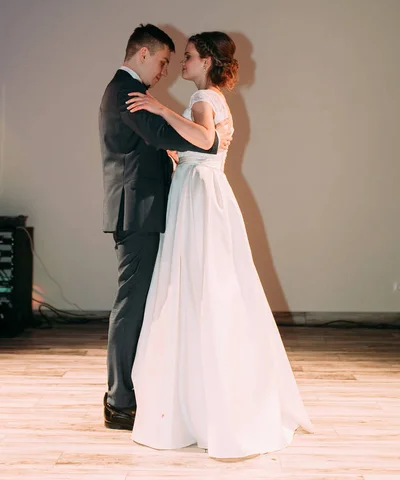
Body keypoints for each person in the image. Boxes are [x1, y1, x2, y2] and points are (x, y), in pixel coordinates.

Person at [125, 31, 313, 459]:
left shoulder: (204, 99)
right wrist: (180, 153)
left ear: (207, 61)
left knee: (197, 285)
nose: (183, 65)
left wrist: (158, 108)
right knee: (211, 284)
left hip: (198, 194)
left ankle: (196, 402)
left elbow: (206, 139)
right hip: (207, 188)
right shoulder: (215, 99)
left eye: (189, 57)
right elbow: (203, 149)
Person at [99, 24, 232, 431]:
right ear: (142, 54)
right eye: (161, 61)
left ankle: (133, 392)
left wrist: (179, 144)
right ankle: (119, 400)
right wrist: (204, 141)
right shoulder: (126, 92)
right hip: (136, 213)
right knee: (132, 304)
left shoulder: (128, 91)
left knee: (143, 303)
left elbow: (156, 144)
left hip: (142, 211)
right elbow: (161, 136)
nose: (164, 71)